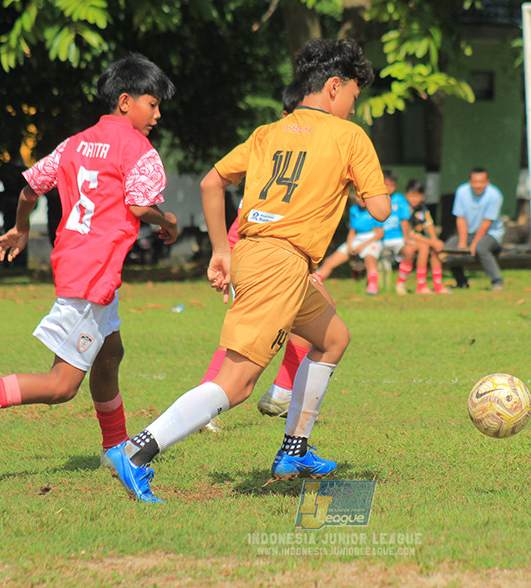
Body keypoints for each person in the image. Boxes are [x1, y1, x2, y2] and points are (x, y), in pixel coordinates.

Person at [104, 38, 390, 503]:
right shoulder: (349, 137)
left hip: (264, 256)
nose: (354, 108)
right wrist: (361, 188)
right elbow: (379, 210)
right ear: (335, 87)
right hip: (282, 263)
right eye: (355, 97)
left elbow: (211, 181)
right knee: (236, 384)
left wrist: (222, 250)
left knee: (333, 337)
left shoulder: (267, 134)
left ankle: (294, 450)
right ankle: (136, 451)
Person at [0, 53, 180, 462]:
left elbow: (28, 190)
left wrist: (21, 228)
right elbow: (139, 205)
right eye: (153, 103)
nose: (158, 114)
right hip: (94, 274)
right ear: (126, 101)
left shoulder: (74, 144)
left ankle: (116, 448)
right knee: (61, 385)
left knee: (110, 354)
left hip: (77, 262)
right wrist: (169, 222)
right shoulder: (140, 150)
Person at [197, 82, 338, 431]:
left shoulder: (290, 149)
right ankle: (205, 404)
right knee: (244, 343)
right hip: (261, 250)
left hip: (273, 250)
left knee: (320, 319)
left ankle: (280, 392)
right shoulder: (276, 146)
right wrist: (225, 253)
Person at [444, 167, 505, 290]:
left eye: (481, 182)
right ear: (470, 182)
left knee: (481, 248)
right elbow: (460, 219)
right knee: (450, 246)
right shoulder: (462, 191)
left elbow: (486, 223)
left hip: (491, 233)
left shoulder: (495, 195)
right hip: (469, 233)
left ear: (487, 182)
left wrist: (474, 244)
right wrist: (462, 243)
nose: (478, 185)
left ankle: (497, 282)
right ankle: (462, 282)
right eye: (475, 182)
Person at [313, 189, 384, 294]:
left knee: (370, 260)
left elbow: (380, 233)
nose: (361, 200)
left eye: (363, 197)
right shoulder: (354, 210)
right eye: (358, 196)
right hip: (356, 240)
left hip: (371, 240)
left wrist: (363, 245)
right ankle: (313, 284)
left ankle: (372, 286)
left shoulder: (374, 210)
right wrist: (350, 245)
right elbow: (352, 231)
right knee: (330, 261)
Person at [395, 179, 449, 294]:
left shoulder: (423, 209)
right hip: (403, 240)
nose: (414, 199)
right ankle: (421, 285)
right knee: (424, 247)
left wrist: (435, 240)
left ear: (422, 197)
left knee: (434, 249)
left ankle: (438, 285)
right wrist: (431, 242)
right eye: (411, 195)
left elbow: (428, 224)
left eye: (417, 196)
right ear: (406, 195)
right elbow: (409, 233)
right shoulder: (405, 209)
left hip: (418, 239)